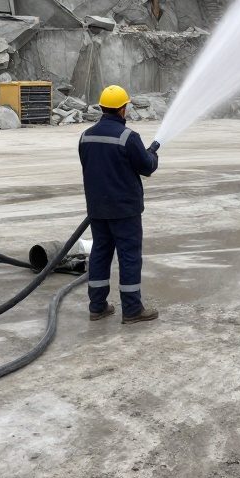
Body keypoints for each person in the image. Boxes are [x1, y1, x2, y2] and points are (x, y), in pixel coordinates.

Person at [78, 85, 160, 324]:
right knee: (129, 257)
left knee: (100, 255)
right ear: (123, 109)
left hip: (97, 209)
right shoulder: (128, 137)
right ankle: (132, 310)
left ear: (102, 107)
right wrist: (153, 154)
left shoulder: (86, 136)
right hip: (125, 210)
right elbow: (146, 167)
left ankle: (97, 306)